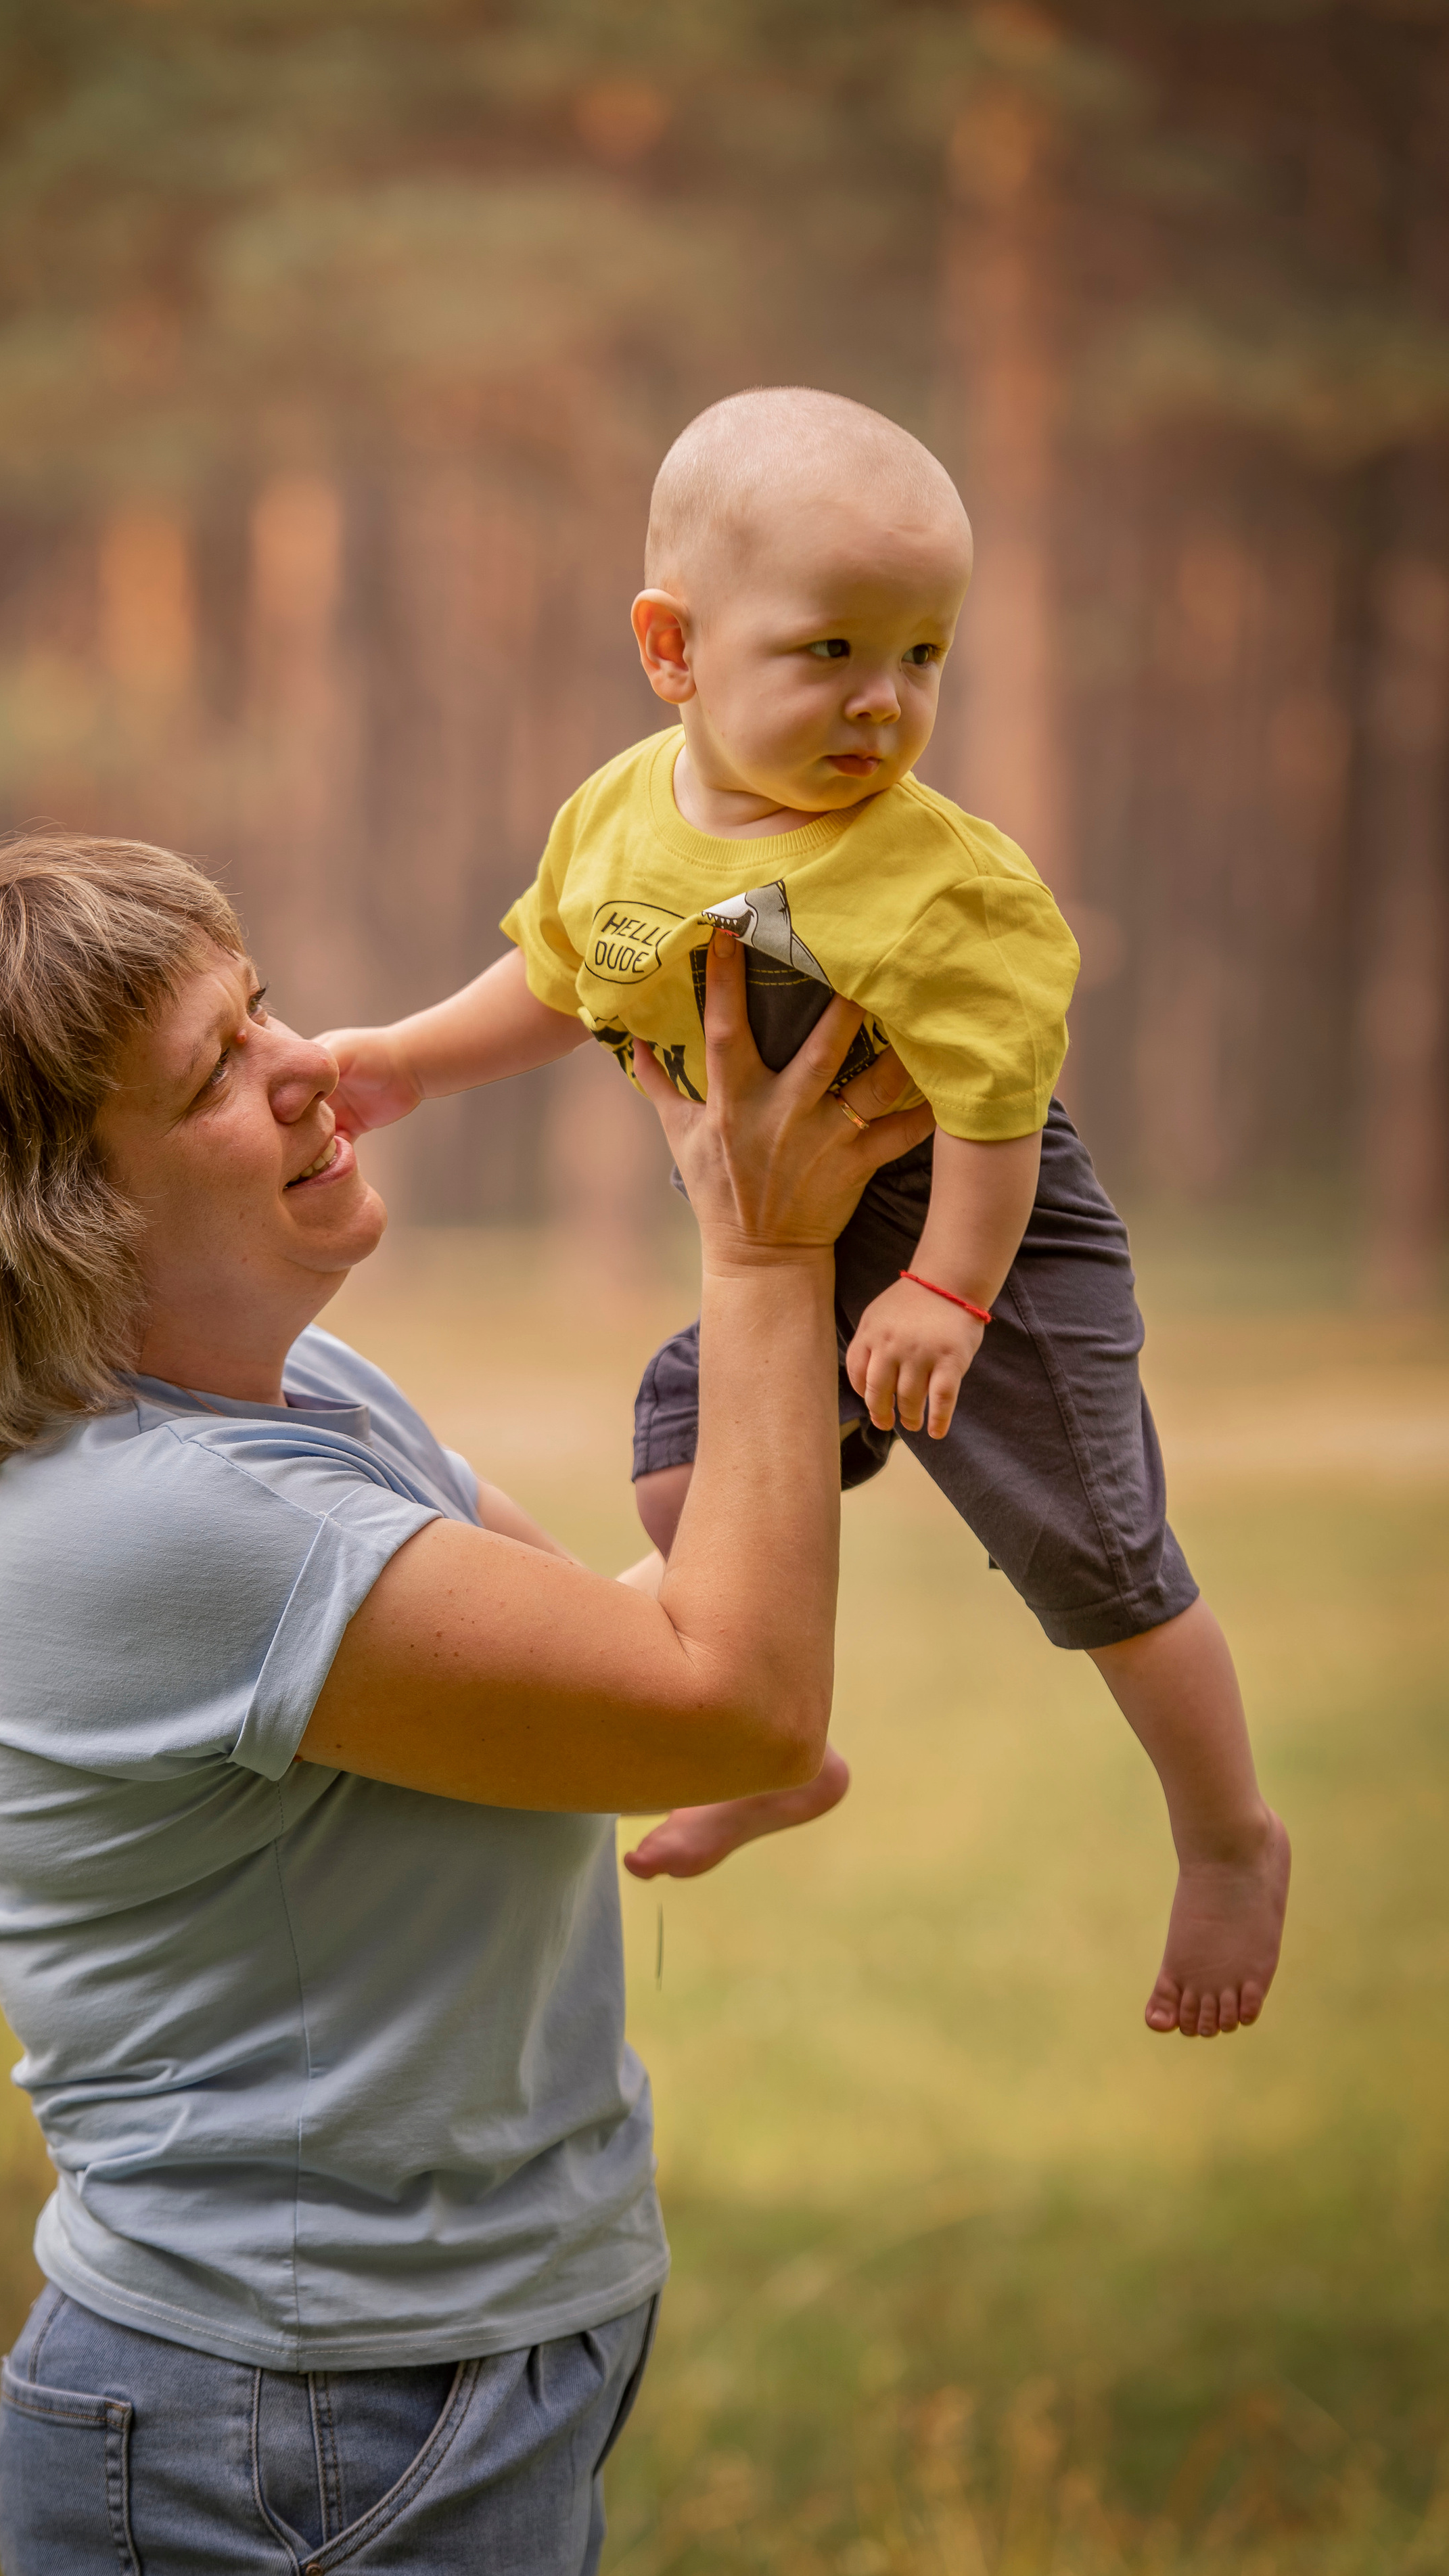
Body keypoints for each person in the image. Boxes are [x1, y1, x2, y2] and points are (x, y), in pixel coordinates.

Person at [0, 830, 929, 2576]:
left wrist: (850, 1316)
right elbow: (731, 1706)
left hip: (396, 2392)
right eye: (213, 1075)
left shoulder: (299, 1399)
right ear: (61, 1217)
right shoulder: (177, 1525)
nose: (305, 1064)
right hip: (286, 2440)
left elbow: (640, 1654)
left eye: (260, 1008)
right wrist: (763, 1252)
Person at [319, 386, 1290, 2043]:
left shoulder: (940, 882)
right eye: (830, 649)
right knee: (682, 1468)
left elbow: (995, 1109)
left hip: (981, 1237)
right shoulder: (619, 818)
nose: (881, 699)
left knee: (1094, 1552)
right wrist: (406, 1064)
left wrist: (949, 1294)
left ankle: (1225, 1836)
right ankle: (770, 1744)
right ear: (672, 650)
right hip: (802, 1248)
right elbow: (558, 970)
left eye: (921, 655)